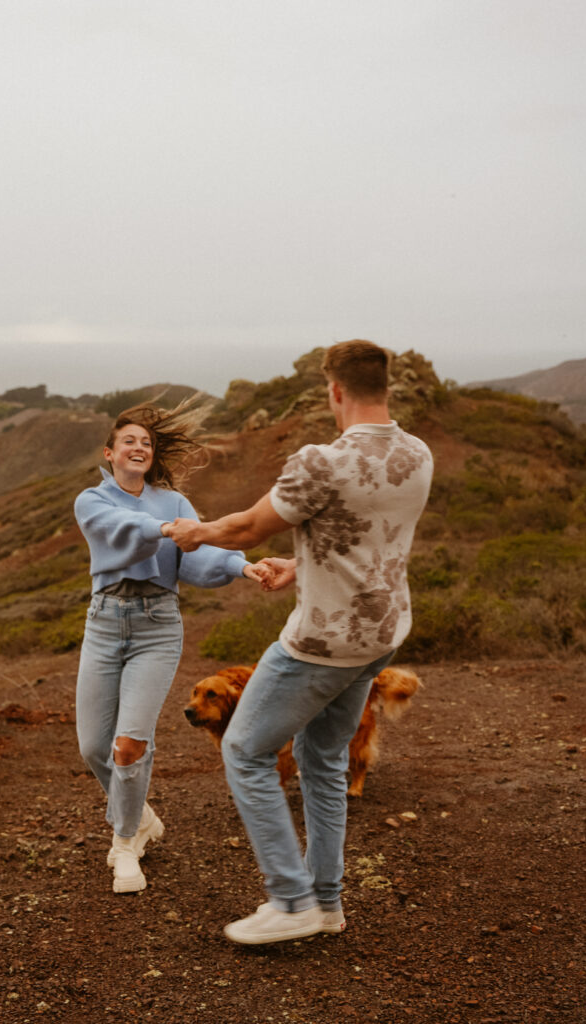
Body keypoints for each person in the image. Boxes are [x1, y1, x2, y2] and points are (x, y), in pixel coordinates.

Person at [166, 340, 433, 944]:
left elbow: (244, 527)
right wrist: (301, 565)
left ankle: (291, 902)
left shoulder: (321, 461)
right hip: (383, 634)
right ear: (386, 386)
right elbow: (370, 536)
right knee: (322, 761)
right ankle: (329, 903)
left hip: (320, 645)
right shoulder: (418, 455)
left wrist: (196, 530)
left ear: (334, 391)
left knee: (244, 749)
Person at [74, 400, 266, 894]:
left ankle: (124, 845)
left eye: (147, 442)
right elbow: (119, 534)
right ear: (110, 452)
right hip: (104, 622)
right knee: (94, 746)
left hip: (158, 626)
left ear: (152, 454)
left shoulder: (175, 502)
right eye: (129, 441)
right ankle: (140, 816)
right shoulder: (92, 501)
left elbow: (198, 558)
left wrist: (243, 567)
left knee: (130, 742)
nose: (139, 447)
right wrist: (161, 530)